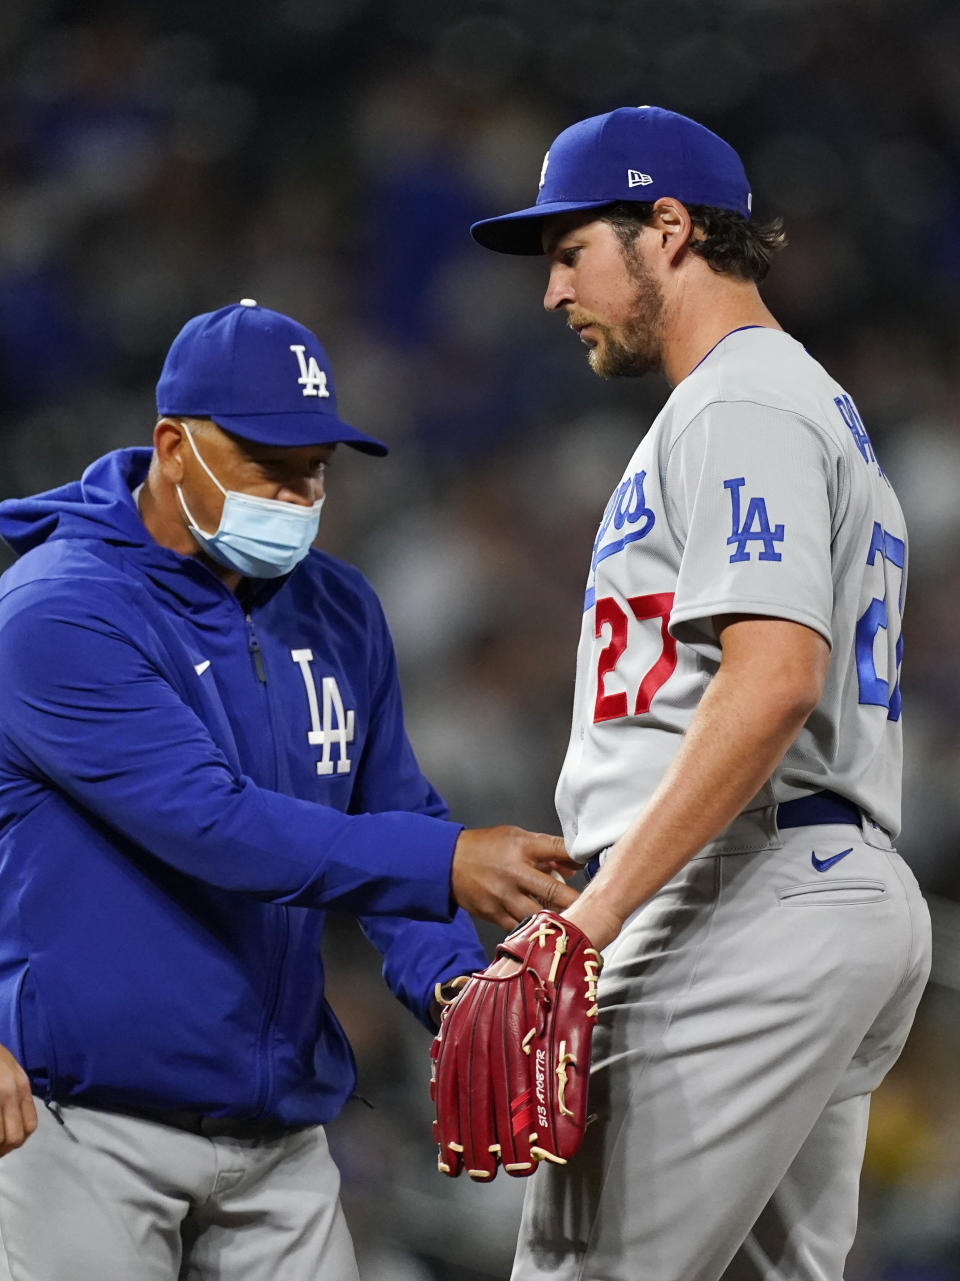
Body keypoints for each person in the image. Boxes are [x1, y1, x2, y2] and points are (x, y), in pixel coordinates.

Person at [0, 299, 577, 1280]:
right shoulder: (60, 612)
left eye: (316, 463)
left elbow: (391, 811)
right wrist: (446, 865)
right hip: (81, 1127)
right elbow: (217, 827)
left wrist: (453, 987)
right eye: (268, 459)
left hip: (279, 1131)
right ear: (173, 446)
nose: (299, 489)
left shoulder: (338, 606)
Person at [469, 107, 932, 1280]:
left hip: (741, 896)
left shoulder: (741, 401)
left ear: (666, 228)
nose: (552, 290)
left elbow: (775, 682)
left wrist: (588, 920)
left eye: (571, 251)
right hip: (806, 888)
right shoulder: (791, 401)